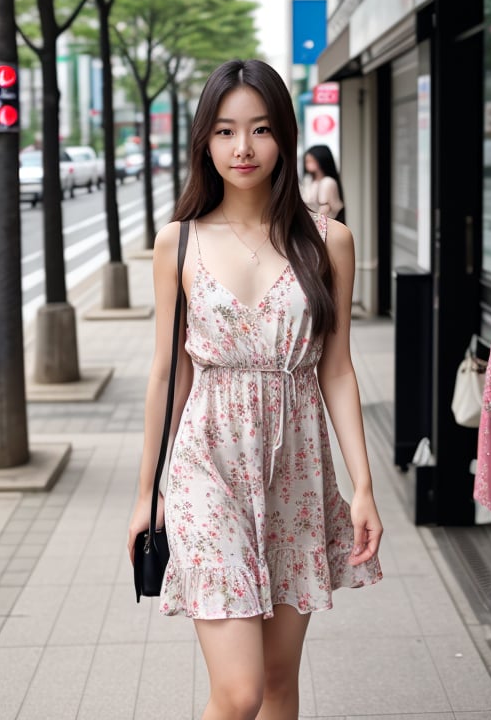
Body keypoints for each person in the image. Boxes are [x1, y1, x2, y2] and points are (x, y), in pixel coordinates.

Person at [127, 59, 383, 720]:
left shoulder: (330, 242)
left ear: (286, 138)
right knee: (238, 692)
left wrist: (362, 486)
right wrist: (144, 495)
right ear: (204, 143)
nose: (243, 148)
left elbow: (337, 369)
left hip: (296, 470)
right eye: (225, 131)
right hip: (205, 467)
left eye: (261, 129)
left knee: (276, 680)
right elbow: (168, 371)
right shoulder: (176, 243)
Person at [301, 144, 345, 222]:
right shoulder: (308, 181)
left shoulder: (327, 182)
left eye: (312, 161)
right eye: (307, 161)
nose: (308, 164)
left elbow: (324, 209)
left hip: (324, 226)